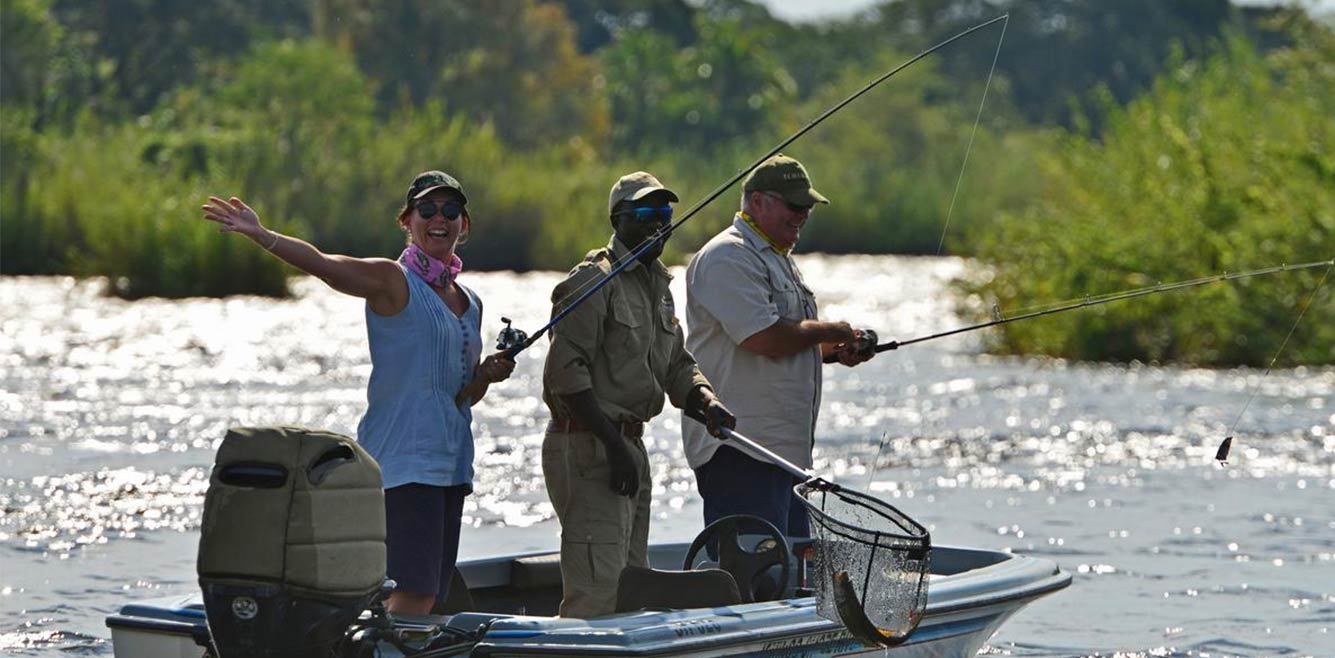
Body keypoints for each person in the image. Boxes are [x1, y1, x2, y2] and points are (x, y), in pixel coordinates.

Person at [201, 170, 515, 615]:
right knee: (416, 592)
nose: (439, 218)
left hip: (452, 465)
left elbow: (460, 395)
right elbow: (327, 266)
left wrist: (485, 375)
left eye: (450, 210)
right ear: (407, 221)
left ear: (465, 224)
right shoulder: (392, 280)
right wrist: (262, 235)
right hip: (405, 463)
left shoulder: (470, 302)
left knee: (430, 594)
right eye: (426, 209)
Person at [541, 171, 736, 619]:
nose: (657, 224)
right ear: (617, 219)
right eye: (645, 213)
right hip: (589, 446)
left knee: (632, 582)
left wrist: (705, 401)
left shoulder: (658, 287)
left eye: (665, 214)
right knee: (598, 588)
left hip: (630, 446)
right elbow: (565, 377)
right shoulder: (592, 280)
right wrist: (613, 446)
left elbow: (676, 365)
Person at [682, 155, 874, 539]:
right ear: (757, 201)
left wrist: (837, 351)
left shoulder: (775, 258)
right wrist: (831, 330)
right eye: (794, 206)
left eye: (807, 207)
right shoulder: (728, 257)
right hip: (741, 453)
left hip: (785, 458)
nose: (803, 215)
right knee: (753, 580)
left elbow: (781, 345)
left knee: (788, 579)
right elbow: (763, 338)